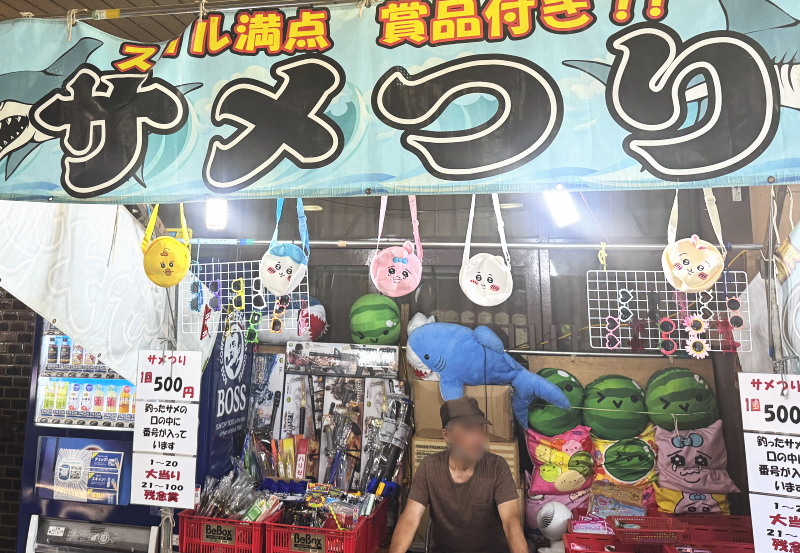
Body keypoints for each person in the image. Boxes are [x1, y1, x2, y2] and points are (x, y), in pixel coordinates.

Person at [389, 397, 526, 553]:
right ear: (446, 435)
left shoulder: (497, 467)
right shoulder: (429, 467)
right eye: (468, 429)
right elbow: (410, 518)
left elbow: (511, 522)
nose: (478, 437)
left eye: (481, 428)